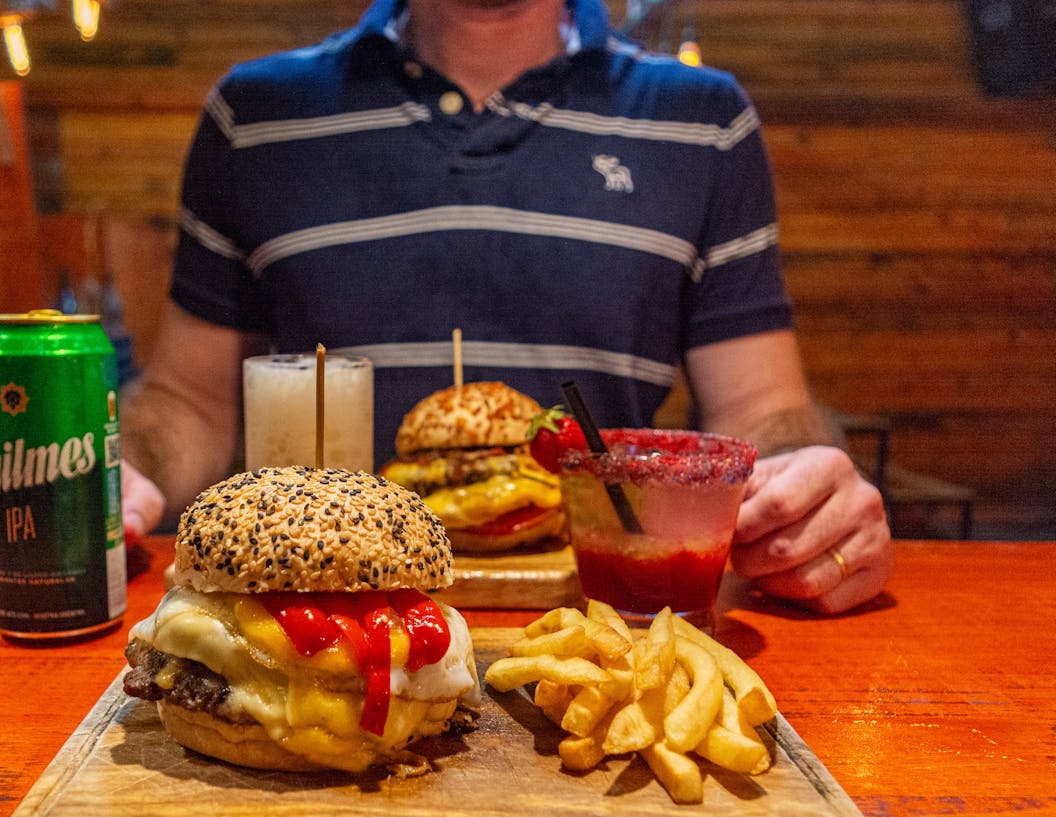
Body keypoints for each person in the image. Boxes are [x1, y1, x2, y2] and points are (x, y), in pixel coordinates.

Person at [119, 0, 893, 614]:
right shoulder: (254, 117)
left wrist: (805, 493)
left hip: (614, 631)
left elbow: (763, 409)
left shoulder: (704, 122)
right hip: (319, 620)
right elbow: (189, 404)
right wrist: (128, 472)